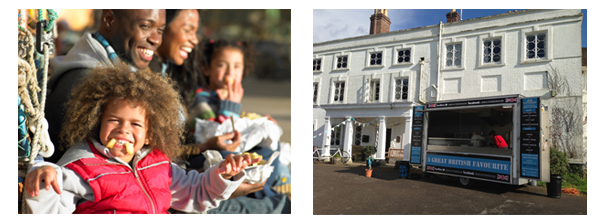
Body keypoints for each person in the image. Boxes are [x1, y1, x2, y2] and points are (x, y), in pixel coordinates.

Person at [24, 64, 258, 214]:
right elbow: (48, 208)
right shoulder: (83, 168)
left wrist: (223, 175)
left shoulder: (160, 165)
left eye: (135, 124)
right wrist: (42, 172)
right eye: (114, 120)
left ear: (149, 133)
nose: (123, 130)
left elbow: (196, 192)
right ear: (97, 121)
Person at [45, 9, 166, 163]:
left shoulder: (122, 72)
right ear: (109, 19)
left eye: (160, 30)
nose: (156, 39)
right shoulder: (85, 83)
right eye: (145, 26)